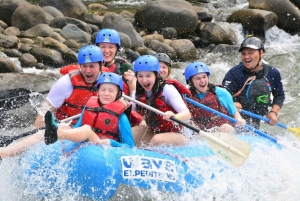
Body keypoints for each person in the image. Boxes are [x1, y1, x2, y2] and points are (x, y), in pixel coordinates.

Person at [0, 45, 130, 159]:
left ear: (101, 66)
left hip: (104, 134)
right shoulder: (65, 82)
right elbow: (43, 115)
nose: (88, 70)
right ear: (79, 66)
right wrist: (41, 140)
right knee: (47, 132)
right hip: (70, 126)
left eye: (92, 66)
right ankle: (5, 153)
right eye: (84, 66)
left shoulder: (111, 83)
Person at [44, 72, 134, 148]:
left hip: (106, 150)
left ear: (118, 94)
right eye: (103, 90)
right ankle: (56, 134)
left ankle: (57, 134)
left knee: (87, 130)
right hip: (88, 148)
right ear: (98, 92)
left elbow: (130, 146)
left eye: (111, 91)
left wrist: (111, 143)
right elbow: (77, 129)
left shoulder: (121, 117)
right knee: (67, 127)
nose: (106, 94)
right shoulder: (89, 108)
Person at [222, 36, 285, 129]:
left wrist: (273, 112)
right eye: (243, 54)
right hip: (235, 120)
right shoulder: (234, 74)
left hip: (256, 120)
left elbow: (279, 95)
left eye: (250, 53)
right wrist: (233, 103)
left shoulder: (273, 73)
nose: (246, 57)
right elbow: (222, 96)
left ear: (261, 53)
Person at [129, 55, 191, 147]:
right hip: (155, 130)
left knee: (157, 140)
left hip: (179, 134)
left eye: (148, 75)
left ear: (157, 75)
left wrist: (175, 116)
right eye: (140, 76)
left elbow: (187, 114)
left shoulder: (167, 89)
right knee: (130, 134)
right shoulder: (136, 94)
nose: (144, 80)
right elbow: (131, 114)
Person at [184, 62, 245, 134]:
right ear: (191, 81)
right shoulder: (186, 96)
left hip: (221, 131)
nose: (202, 81)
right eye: (198, 78)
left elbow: (236, 115)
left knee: (226, 127)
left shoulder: (222, 93)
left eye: (204, 77)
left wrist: (240, 120)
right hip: (200, 134)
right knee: (188, 124)